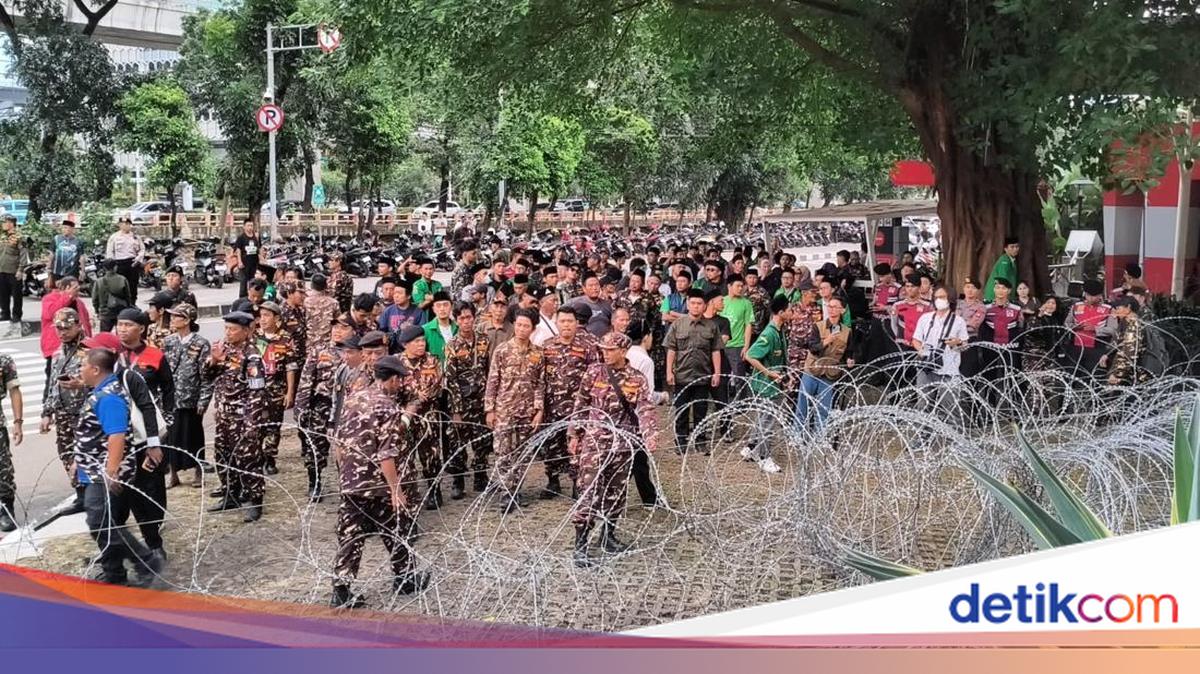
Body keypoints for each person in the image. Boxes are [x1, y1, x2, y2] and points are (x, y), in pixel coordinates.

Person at [330, 355, 427, 609]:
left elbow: (339, 444)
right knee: (397, 528)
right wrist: (396, 490)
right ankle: (405, 578)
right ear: (393, 379)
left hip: (351, 482)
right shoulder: (388, 407)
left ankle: (341, 589)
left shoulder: (353, 399)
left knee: (350, 537)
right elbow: (387, 454)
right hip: (377, 484)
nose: (400, 385)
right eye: (400, 380)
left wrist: (345, 473)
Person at [73, 348, 162, 586]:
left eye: (83, 365)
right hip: (93, 469)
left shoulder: (109, 397)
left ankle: (145, 561)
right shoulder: (101, 391)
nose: (80, 369)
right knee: (105, 523)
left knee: (99, 524)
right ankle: (115, 574)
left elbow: (116, 437)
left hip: (102, 472)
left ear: (95, 369)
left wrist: (111, 472)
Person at [567, 332, 656, 567]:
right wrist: (574, 433)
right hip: (595, 443)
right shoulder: (594, 372)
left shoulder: (636, 379)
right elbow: (581, 403)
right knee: (589, 491)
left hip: (622, 444)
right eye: (603, 349)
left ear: (623, 351)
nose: (604, 353)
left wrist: (650, 434)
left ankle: (609, 535)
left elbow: (645, 408)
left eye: (609, 349)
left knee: (616, 492)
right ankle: (581, 544)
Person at [204, 311, 269, 522]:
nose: (228, 333)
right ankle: (230, 494)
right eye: (226, 328)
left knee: (248, 460)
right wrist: (214, 361)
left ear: (247, 331)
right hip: (223, 416)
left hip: (242, 418)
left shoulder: (251, 357)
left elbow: (256, 392)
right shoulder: (224, 349)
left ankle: (255, 500)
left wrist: (252, 424)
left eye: (233, 329)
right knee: (223, 457)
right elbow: (206, 377)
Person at [484, 310, 546, 513]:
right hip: (504, 411)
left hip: (526, 412)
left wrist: (538, 411)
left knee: (522, 454)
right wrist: (489, 409)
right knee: (503, 453)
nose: (521, 329)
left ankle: (515, 489)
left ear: (533, 329)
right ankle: (505, 492)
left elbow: (540, 384)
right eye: (518, 325)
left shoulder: (538, 354)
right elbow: (492, 382)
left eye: (526, 326)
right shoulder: (502, 350)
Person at [541, 305, 600, 499]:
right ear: (556, 323)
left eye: (570, 321)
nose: (566, 325)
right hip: (552, 406)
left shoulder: (589, 345)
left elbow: (595, 376)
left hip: (578, 408)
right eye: (562, 321)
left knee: (576, 446)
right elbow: (541, 377)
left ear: (576, 324)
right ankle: (553, 481)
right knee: (551, 445)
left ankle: (577, 482)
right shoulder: (547, 346)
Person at [39, 307, 89, 515]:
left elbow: (101, 381)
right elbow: (52, 383)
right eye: (58, 328)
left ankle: (92, 495)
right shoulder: (58, 353)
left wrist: (82, 384)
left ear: (78, 326)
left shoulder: (90, 350)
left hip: (84, 413)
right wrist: (46, 412)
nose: (62, 332)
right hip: (62, 413)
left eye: (67, 328)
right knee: (66, 453)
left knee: (86, 455)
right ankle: (80, 495)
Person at [443, 303, 493, 497]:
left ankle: (481, 476)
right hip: (461, 402)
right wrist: (456, 410)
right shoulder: (452, 345)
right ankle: (458, 480)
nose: (466, 321)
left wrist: (490, 403)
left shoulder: (483, 340)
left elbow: (489, 370)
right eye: (462, 318)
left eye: (469, 317)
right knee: (458, 442)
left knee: (482, 440)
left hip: (480, 400)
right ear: (456, 320)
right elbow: (451, 379)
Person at [665, 288, 722, 454]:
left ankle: (700, 440)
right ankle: (680, 441)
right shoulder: (677, 324)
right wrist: (669, 371)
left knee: (701, 410)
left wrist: (717, 372)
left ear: (705, 306)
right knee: (681, 410)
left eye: (699, 303)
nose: (696, 306)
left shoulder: (711, 326)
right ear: (688, 304)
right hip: (681, 375)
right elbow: (671, 349)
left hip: (702, 376)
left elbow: (716, 350)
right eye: (693, 303)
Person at [393, 325, 444, 512]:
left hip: (427, 417)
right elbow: (393, 389)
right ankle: (409, 492)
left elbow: (439, 385)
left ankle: (434, 489)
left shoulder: (432, 361)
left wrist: (426, 395)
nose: (421, 344)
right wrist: (414, 395)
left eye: (423, 341)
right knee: (406, 457)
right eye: (417, 342)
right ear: (406, 344)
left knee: (431, 456)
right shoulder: (397, 363)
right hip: (405, 417)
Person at [162, 304, 213, 489]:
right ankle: (173, 473)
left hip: (191, 398)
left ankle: (198, 472)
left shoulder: (200, 343)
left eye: (177, 316)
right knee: (171, 437)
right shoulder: (169, 342)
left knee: (194, 436)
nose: (173, 320)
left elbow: (206, 375)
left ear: (187, 320)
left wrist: (204, 399)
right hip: (172, 398)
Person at [741, 295, 792, 473]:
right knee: (768, 421)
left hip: (775, 382)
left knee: (763, 417)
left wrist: (786, 374)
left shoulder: (780, 330)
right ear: (781, 312)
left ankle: (751, 448)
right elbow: (750, 355)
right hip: (767, 384)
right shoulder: (769, 333)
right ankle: (764, 456)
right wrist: (769, 373)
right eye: (790, 310)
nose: (792, 312)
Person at [795, 297, 854, 436]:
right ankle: (797, 435)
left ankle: (819, 438)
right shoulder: (818, 326)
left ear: (842, 310)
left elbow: (849, 351)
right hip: (812, 370)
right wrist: (825, 342)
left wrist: (850, 359)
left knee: (824, 409)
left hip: (829, 374)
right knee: (803, 404)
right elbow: (812, 347)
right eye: (829, 306)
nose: (831, 309)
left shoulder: (847, 332)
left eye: (835, 307)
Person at [256, 302, 300, 476]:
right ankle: (257, 456)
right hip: (256, 390)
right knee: (256, 425)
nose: (263, 319)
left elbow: (291, 367)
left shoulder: (285, 339)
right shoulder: (254, 337)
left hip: (275, 390)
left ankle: (270, 458)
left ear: (277, 319)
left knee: (273, 426)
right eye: (261, 315)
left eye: (267, 315)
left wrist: (289, 392)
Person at [39, 276, 92, 392]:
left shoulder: (79, 302)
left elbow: (85, 321)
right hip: (56, 346)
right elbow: (51, 314)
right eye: (75, 287)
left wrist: (89, 340)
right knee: (54, 379)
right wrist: (67, 297)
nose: (78, 289)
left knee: (79, 373)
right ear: (65, 287)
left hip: (80, 346)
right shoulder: (50, 299)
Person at [911, 287, 970, 386]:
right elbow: (916, 340)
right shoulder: (925, 318)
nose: (938, 300)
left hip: (949, 369)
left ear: (950, 298)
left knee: (947, 401)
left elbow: (965, 345)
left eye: (942, 297)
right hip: (926, 366)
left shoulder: (959, 321)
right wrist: (922, 351)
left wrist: (957, 343)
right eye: (936, 297)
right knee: (924, 400)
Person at [1064, 280, 1114, 379]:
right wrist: (1075, 327)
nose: (1090, 298)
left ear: (1099, 295)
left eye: (1093, 296)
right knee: (1072, 377)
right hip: (1075, 348)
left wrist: (1095, 329)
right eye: (1088, 295)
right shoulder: (1076, 306)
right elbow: (1066, 324)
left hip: (1097, 349)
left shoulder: (1108, 309)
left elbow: (1113, 329)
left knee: (1093, 378)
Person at [720, 274, 756, 394]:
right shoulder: (721, 301)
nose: (740, 288)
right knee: (722, 377)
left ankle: (742, 403)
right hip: (721, 345)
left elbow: (748, 325)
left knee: (739, 376)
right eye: (738, 286)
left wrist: (746, 345)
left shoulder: (746, 303)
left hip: (737, 344)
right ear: (729, 286)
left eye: (742, 286)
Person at [0, 346, 21, 532]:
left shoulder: (4, 361)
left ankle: (6, 509)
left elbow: (14, 391)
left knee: (3, 470)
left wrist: (18, 422)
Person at [1106, 296, 1147, 386]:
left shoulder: (1134, 325)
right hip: (1129, 373)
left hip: (1132, 376)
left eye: (1118, 308)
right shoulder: (1126, 323)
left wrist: (1117, 374)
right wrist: (1107, 355)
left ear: (1128, 307)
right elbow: (1119, 344)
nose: (1116, 311)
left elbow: (1129, 353)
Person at [106, 218, 144, 305]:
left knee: (133, 285)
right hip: (119, 264)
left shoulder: (135, 237)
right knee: (120, 286)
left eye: (127, 224)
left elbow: (142, 250)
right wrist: (112, 265)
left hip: (132, 263)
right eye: (123, 224)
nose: (126, 225)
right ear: (119, 225)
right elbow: (110, 252)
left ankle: (132, 304)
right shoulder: (114, 237)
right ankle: (121, 304)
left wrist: (138, 259)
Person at [891, 274, 932, 349]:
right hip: (903, 344)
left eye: (913, 286)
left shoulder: (928, 306)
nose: (910, 289)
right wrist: (900, 338)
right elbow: (894, 324)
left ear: (919, 288)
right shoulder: (897, 305)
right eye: (907, 286)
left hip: (921, 344)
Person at [0, 215, 25, 334]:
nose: (3, 224)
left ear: (11, 223)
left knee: (16, 295)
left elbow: (23, 254)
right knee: (3, 294)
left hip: (14, 271)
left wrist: (21, 269)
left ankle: (17, 315)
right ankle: (5, 313)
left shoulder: (19, 237)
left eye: (5, 222)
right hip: (2, 270)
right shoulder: (2, 236)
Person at [94, 260, 133, 332]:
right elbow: (128, 297)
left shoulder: (99, 282)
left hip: (105, 313)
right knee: (121, 337)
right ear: (115, 267)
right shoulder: (122, 279)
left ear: (104, 268)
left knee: (104, 337)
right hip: (120, 312)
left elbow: (95, 299)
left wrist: (97, 311)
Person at [304, 274, 340, 351]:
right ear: (325, 286)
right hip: (327, 344)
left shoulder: (305, 302)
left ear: (311, 285)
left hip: (309, 343)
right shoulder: (333, 303)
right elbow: (338, 323)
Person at [421, 291, 458, 363]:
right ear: (433, 309)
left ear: (452, 306)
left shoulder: (458, 328)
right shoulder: (425, 330)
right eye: (438, 306)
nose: (442, 309)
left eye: (445, 305)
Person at [983, 236, 1020, 303]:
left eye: (1017, 246)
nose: (1015, 249)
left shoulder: (1011, 260)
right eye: (1012, 247)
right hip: (995, 297)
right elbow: (1002, 279)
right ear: (1005, 249)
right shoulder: (1004, 260)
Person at [232, 219, 262, 298]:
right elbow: (238, 250)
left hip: (254, 262)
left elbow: (258, 249)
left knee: (253, 281)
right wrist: (239, 261)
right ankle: (242, 297)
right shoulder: (241, 237)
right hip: (244, 263)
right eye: (248, 226)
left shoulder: (256, 236)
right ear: (244, 227)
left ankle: (251, 296)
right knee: (244, 281)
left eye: (251, 226)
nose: (250, 227)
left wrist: (261, 259)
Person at [49, 220, 81, 285]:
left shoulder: (78, 241)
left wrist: (82, 271)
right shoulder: (56, 239)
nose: (64, 230)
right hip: (57, 271)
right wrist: (49, 268)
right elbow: (51, 254)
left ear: (72, 229)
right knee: (58, 289)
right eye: (63, 228)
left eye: (66, 228)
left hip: (72, 272)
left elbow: (82, 257)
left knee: (70, 290)